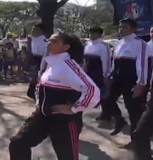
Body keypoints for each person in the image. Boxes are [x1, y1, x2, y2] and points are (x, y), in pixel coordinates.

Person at [9, 32, 100, 160]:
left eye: (54, 41)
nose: (49, 43)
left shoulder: (69, 66)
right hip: (42, 116)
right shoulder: (50, 63)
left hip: (63, 122)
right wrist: (38, 104)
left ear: (66, 47)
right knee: (18, 143)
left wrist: (74, 108)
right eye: (49, 40)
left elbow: (92, 90)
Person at [107, 18, 148, 148]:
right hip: (117, 78)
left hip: (131, 79)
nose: (121, 29)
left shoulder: (139, 43)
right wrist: (110, 75)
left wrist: (140, 83)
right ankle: (119, 120)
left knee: (134, 112)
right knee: (106, 99)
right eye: (120, 27)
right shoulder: (119, 42)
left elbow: (142, 64)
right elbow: (115, 61)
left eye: (124, 27)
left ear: (133, 29)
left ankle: (135, 141)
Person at [83, 27, 112, 122]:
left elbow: (106, 61)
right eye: (90, 33)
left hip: (98, 72)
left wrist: (106, 74)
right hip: (88, 72)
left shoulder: (103, 46)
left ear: (99, 34)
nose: (91, 35)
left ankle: (106, 114)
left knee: (102, 94)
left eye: (93, 33)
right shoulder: (88, 45)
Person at [27, 23, 47, 99]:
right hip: (34, 62)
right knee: (32, 90)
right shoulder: (33, 40)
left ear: (42, 31)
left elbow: (46, 56)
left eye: (35, 29)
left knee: (35, 88)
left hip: (41, 63)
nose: (32, 31)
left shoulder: (45, 42)